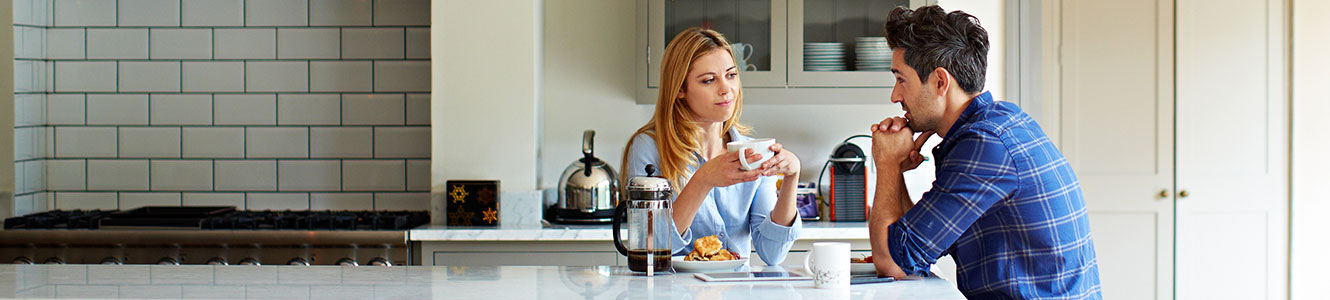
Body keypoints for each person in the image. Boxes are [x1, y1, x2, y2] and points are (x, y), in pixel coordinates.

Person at [866, 5, 1102, 299]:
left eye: (901, 79)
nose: (895, 96)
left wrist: (886, 163)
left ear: (940, 81)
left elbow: (892, 264)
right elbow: (914, 248)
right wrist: (897, 168)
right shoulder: (1000, 122)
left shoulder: (985, 144)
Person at [620, 27, 802, 265]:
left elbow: (772, 254)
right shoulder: (649, 147)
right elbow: (649, 249)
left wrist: (791, 178)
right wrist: (703, 180)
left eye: (731, 75)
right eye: (708, 80)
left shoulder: (752, 151)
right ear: (680, 90)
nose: (726, 89)